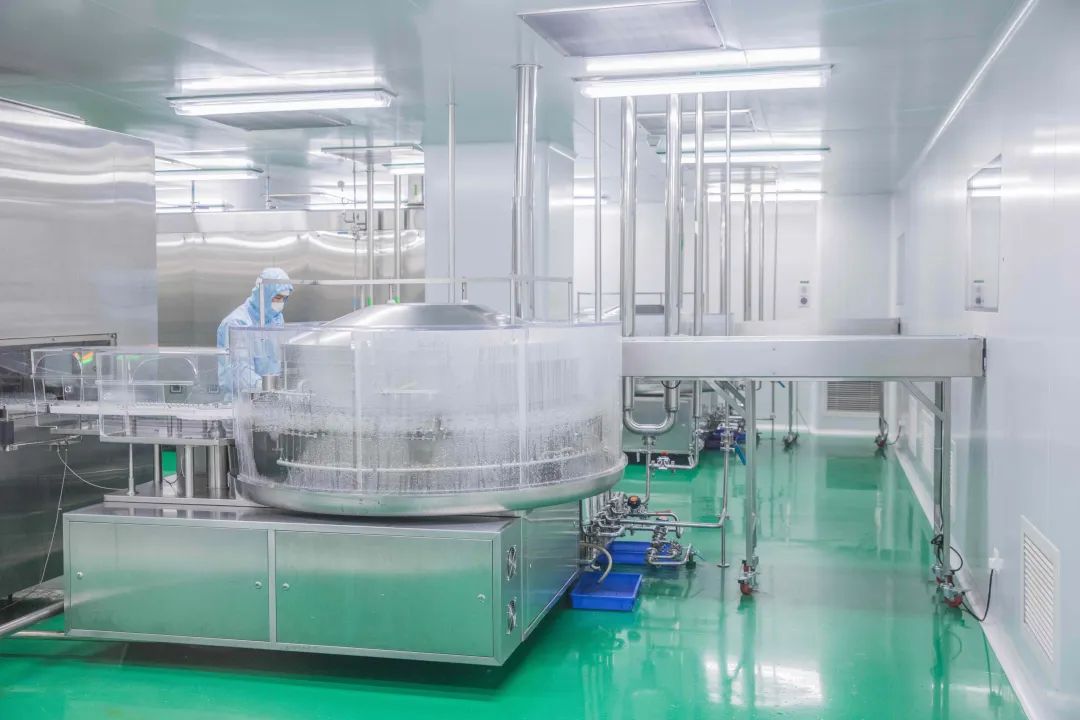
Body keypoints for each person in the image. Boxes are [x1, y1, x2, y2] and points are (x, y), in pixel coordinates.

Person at [217, 268, 294, 393]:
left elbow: (279, 361)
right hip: (243, 399)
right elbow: (238, 370)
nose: (281, 303)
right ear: (263, 294)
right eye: (277, 297)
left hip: (270, 396)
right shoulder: (237, 323)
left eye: (284, 298)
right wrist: (264, 387)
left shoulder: (276, 319)